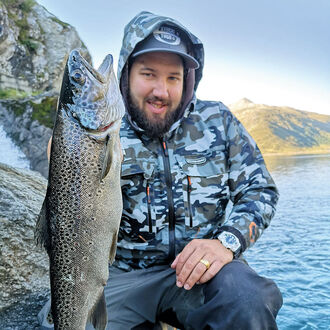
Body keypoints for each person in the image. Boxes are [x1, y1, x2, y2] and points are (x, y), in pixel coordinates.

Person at [39, 11, 282, 330]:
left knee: (248, 299)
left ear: (188, 81)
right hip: (120, 277)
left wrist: (225, 243)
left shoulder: (218, 122)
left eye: (173, 78)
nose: (161, 91)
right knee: (59, 323)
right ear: (126, 74)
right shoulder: (101, 134)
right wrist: (65, 164)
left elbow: (260, 191)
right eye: (149, 74)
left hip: (202, 273)